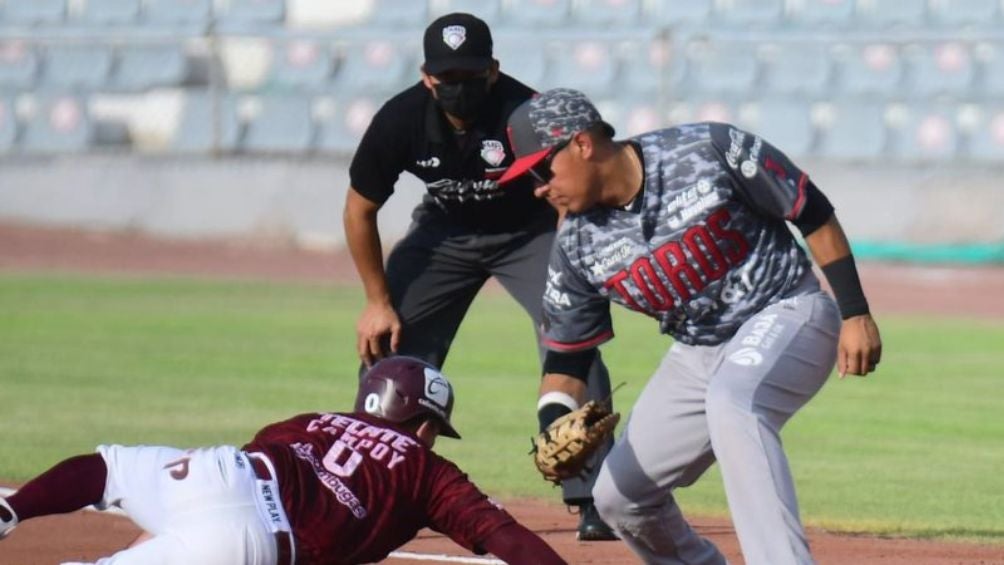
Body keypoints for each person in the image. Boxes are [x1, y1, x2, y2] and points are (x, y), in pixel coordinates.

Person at [499, 88, 883, 565]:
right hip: (697, 353)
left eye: (541, 169)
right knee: (619, 496)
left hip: (787, 309)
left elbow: (812, 211)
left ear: (581, 144)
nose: (538, 187)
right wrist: (552, 423)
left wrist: (855, 312)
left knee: (733, 402)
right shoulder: (576, 246)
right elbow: (566, 355)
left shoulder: (707, 150)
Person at [343, 12, 616, 540]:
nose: (458, 89)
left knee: (575, 339)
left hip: (531, 233)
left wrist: (570, 277)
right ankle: (371, 489)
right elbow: (359, 209)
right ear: (427, 77)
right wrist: (377, 300)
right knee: (390, 347)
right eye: (447, 80)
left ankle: (595, 498)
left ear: (493, 70)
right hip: (442, 235)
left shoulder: (526, 112)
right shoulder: (399, 119)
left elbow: (571, 193)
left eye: (470, 78)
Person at [0, 356, 567, 565]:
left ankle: (12, 511)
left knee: (108, 468)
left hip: (218, 471)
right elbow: (508, 540)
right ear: (424, 425)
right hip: (256, 535)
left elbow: (218, 499)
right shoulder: (428, 470)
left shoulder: (309, 420)